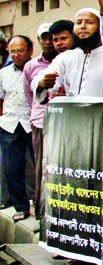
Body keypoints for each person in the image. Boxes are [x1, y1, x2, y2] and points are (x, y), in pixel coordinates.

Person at [35, 9, 103, 101]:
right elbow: (41, 78)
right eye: (78, 23)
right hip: (73, 113)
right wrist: (42, 83)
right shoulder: (66, 57)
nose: (83, 26)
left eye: (89, 22)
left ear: (101, 27)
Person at [23, 23, 58, 215]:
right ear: (39, 41)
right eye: (44, 38)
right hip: (40, 122)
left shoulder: (66, 59)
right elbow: (29, 94)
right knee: (40, 167)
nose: (48, 42)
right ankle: (40, 211)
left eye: (52, 37)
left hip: (63, 122)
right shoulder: (31, 66)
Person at [0, 36, 34, 220]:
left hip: (32, 123)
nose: (16, 55)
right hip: (9, 124)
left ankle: (40, 206)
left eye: (19, 51)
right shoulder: (3, 73)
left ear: (30, 50)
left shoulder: (37, 69)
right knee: (12, 167)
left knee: (39, 168)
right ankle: (20, 207)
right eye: (12, 52)